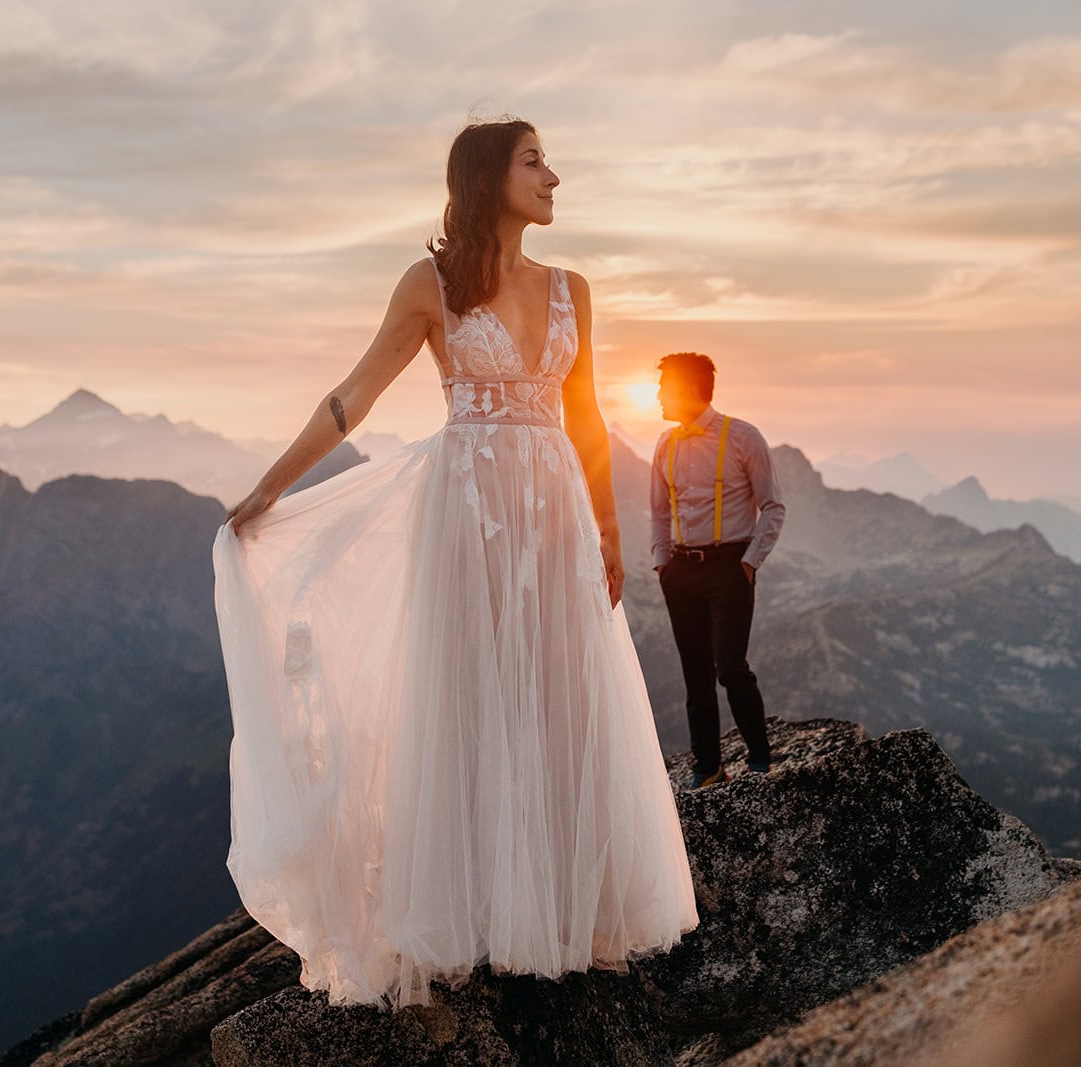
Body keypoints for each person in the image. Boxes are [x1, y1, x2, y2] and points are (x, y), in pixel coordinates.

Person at [212, 118, 698, 1010]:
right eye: (535, 161)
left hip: (552, 510)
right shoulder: (428, 283)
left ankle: (572, 911)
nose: (555, 175)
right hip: (468, 510)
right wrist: (268, 489)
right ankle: (478, 910)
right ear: (487, 178)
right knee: (472, 694)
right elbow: (352, 397)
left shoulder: (571, 289)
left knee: (563, 695)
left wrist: (610, 534)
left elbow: (587, 419)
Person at [649, 352, 786, 790]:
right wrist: (661, 561)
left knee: (730, 667)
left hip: (730, 567)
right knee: (696, 674)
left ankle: (761, 761)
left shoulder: (743, 437)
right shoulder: (665, 444)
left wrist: (748, 564)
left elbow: (773, 507)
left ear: (689, 389)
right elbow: (657, 511)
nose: (657, 396)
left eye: (664, 386)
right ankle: (708, 768)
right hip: (682, 571)